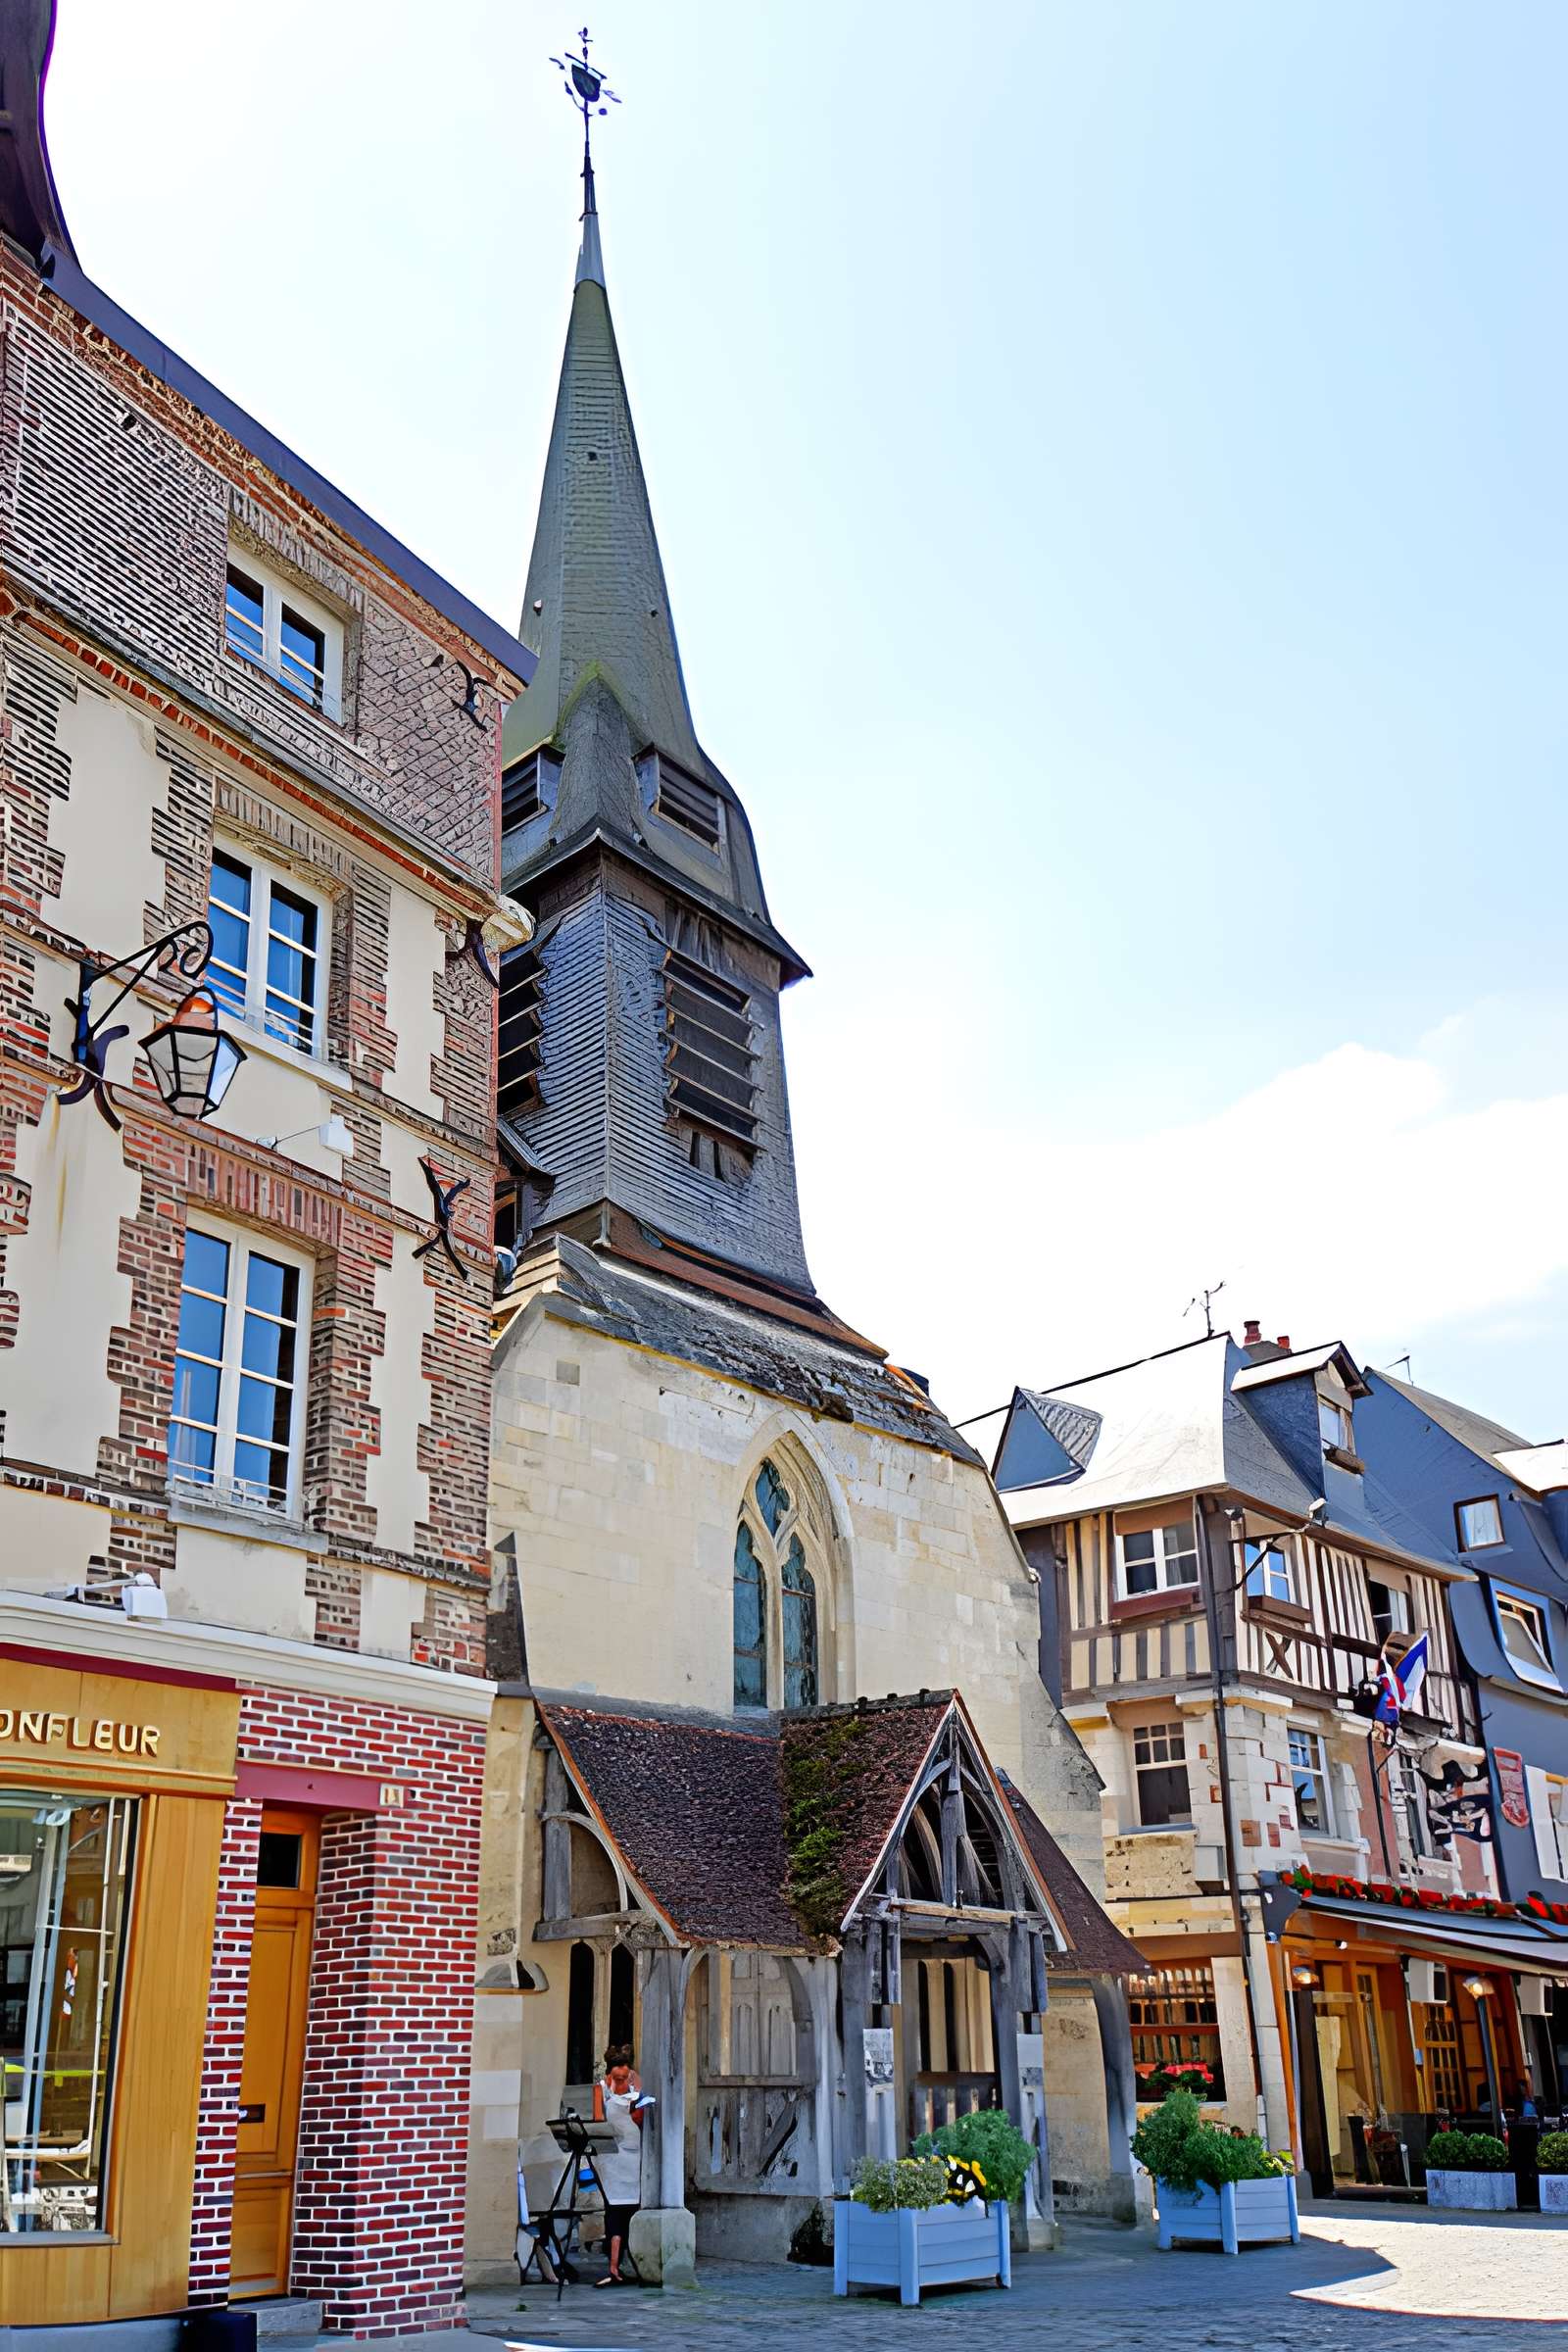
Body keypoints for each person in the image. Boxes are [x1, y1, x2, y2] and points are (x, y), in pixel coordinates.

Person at [592, 2044, 649, 2285]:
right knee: (614, 2207)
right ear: (610, 2074)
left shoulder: (637, 2085)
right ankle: (613, 2266)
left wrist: (636, 2110)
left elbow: (641, 2115)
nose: (622, 2081)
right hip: (612, 2155)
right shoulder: (601, 2089)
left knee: (632, 2207)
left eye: (625, 2077)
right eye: (618, 2078)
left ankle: (629, 2261)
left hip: (633, 2153)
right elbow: (598, 2119)